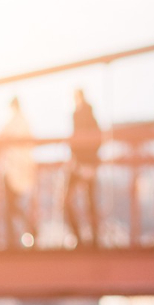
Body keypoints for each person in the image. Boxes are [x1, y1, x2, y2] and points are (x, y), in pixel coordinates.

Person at [63, 89, 102, 247]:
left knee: (66, 200)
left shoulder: (77, 115)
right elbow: (98, 140)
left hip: (79, 165)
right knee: (90, 202)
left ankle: (78, 237)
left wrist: (77, 161)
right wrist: (93, 164)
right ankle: (94, 239)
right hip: (90, 165)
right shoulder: (92, 116)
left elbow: (75, 140)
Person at [0, 96, 37, 249]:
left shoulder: (12, 122)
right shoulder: (25, 122)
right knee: (12, 205)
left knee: (9, 206)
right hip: (21, 169)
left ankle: (11, 240)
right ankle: (29, 230)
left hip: (12, 169)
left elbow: (1, 138)